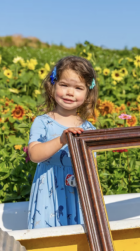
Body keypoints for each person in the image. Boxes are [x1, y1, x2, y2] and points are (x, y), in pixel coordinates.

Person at [27, 56, 98, 229]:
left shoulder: (89, 129)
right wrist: (61, 140)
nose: (70, 92)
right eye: (64, 85)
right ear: (53, 86)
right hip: (48, 193)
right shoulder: (43, 122)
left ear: (88, 93)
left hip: (76, 193)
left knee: (77, 237)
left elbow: (91, 169)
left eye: (78, 88)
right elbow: (34, 154)